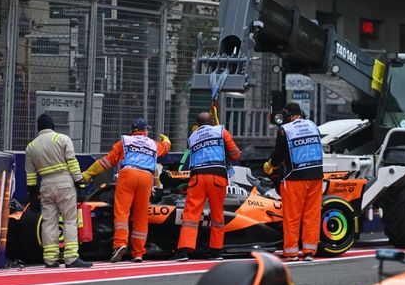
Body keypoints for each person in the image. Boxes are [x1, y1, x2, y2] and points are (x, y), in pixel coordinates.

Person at [82, 118, 171, 263]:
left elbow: (107, 161)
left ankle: (120, 244)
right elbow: (165, 147)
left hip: (128, 174)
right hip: (147, 177)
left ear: (133, 131)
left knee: (122, 212)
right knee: (141, 216)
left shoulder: (125, 142)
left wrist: (88, 173)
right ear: (145, 131)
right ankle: (138, 253)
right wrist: (166, 140)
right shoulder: (153, 144)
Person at [172, 112, 242, 261]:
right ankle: (216, 251)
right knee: (217, 215)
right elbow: (235, 154)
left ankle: (183, 250)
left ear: (198, 124)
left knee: (191, 214)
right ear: (212, 121)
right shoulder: (221, 131)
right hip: (217, 175)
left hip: (197, 177)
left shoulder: (192, 137)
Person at [25, 114, 92, 268]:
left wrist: (33, 195)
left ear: (39, 128)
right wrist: (80, 183)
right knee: (69, 220)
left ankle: (50, 259)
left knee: (49, 222)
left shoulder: (31, 147)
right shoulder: (62, 139)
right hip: (64, 184)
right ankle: (71, 258)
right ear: (52, 126)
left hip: (45, 186)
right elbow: (72, 163)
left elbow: (30, 175)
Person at [264, 102, 323, 261]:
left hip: (295, 177)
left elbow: (278, 154)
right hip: (316, 175)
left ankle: (291, 252)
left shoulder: (285, 130)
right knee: (312, 215)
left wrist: (270, 165)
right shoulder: (313, 126)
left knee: (292, 216)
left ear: (287, 116)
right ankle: (309, 251)